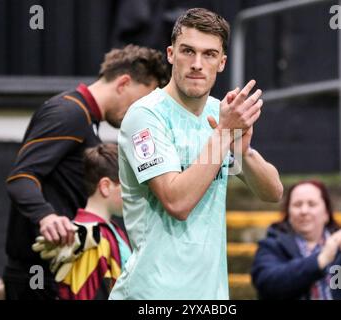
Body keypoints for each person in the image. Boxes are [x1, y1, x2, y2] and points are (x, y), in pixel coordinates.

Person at [109, 8, 283, 300]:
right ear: (170, 54)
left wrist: (244, 152)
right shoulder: (145, 115)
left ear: (222, 62)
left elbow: (273, 192)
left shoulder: (220, 114)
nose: (197, 64)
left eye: (209, 54)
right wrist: (224, 134)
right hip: (151, 294)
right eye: (188, 51)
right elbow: (177, 202)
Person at [3, 44, 169, 300]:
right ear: (123, 83)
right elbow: (22, 177)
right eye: (140, 102)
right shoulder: (68, 112)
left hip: (50, 273)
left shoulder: (86, 120)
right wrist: (46, 217)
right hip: (39, 278)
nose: (140, 112)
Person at [251, 180, 341, 300]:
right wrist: (320, 260)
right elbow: (267, 286)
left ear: (326, 213)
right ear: (288, 213)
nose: (304, 211)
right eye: (297, 205)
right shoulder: (273, 245)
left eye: (312, 204)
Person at [54, 143, 131, 300]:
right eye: (128, 186)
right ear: (105, 186)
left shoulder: (113, 231)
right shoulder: (91, 238)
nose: (133, 195)